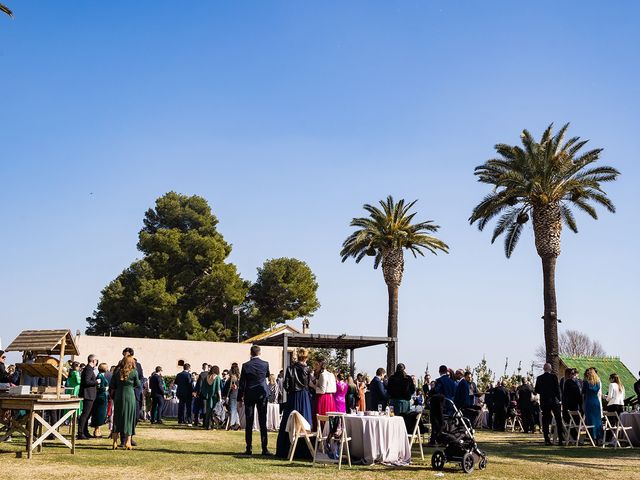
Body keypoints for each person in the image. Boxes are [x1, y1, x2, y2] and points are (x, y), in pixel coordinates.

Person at [275, 347, 313, 459]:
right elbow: (310, 384)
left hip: (292, 397)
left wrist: (292, 392)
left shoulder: (290, 368)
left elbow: (286, 385)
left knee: (288, 422)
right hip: (304, 397)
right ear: (306, 357)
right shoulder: (308, 369)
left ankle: (285, 449)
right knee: (304, 422)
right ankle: (304, 451)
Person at [238, 345, 271, 456]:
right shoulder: (265, 364)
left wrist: (239, 398)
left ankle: (249, 448)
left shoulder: (246, 366)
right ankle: (264, 448)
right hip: (262, 394)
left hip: (249, 394)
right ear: (259, 352)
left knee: (249, 421)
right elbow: (266, 376)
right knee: (262, 421)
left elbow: (242, 384)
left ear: (251, 353)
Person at [111, 355, 140, 450]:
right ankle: (128, 442)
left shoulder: (116, 372)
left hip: (119, 396)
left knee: (117, 417)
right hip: (130, 396)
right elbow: (138, 384)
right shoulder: (134, 372)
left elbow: (112, 385)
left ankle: (114, 442)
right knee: (129, 418)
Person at [535, 363, 564, 445]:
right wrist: (559, 399)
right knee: (558, 419)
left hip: (544, 401)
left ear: (544, 369)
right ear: (550, 369)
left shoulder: (539, 378)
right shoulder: (553, 377)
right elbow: (557, 389)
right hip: (554, 400)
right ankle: (561, 439)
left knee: (545, 420)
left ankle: (546, 439)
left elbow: (537, 390)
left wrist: (544, 392)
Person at [429, 365, 457, 445]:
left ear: (439, 371)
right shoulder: (452, 382)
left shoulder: (440, 381)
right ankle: (447, 439)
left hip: (441, 404)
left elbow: (437, 391)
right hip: (450, 404)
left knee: (437, 422)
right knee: (448, 422)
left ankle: (435, 439)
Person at [77, 354, 98, 440]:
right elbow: (87, 381)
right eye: (96, 360)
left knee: (87, 414)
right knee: (85, 414)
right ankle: (81, 432)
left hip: (89, 394)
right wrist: (96, 382)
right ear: (93, 361)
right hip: (88, 394)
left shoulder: (88, 369)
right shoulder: (89, 369)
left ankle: (85, 431)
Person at [582, 368, 603, 444]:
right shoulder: (597, 382)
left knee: (590, 420)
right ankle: (599, 437)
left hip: (589, 401)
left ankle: (592, 438)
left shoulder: (586, 382)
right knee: (597, 420)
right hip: (596, 401)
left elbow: (583, 391)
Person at [562, 368, 582, 441]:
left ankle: (576, 437)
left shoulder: (577, 382)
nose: (573, 375)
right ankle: (574, 437)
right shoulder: (568, 382)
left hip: (575, 404)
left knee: (576, 421)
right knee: (573, 421)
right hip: (571, 405)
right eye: (572, 374)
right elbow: (570, 394)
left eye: (574, 374)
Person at [90, 363, 110, 437]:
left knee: (101, 414)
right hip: (101, 397)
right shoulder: (100, 376)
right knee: (99, 414)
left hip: (102, 396)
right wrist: (106, 388)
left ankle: (98, 430)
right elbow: (99, 387)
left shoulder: (101, 375)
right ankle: (96, 431)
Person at [201, 365, 222, 430]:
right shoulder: (217, 377)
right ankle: (213, 425)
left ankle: (207, 425)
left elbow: (203, 387)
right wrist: (220, 397)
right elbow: (218, 388)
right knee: (214, 411)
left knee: (208, 411)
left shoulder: (206, 377)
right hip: (215, 396)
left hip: (208, 396)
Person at [223, 363, 241, 430]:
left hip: (232, 395)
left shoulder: (232, 377)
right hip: (237, 395)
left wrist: (226, 396)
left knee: (232, 410)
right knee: (234, 410)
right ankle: (237, 424)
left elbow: (228, 388)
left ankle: (232, 424)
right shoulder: (239, 377)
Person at [193, 363, 209, 427]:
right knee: (205, 409)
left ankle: (196, 421)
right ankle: (205, 423)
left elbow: (199, 384)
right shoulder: (210, 375)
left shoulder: (202, 375)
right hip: (207, 394)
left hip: (201, 394)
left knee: (197, 408)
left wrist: (196, 392)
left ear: (202, 367)